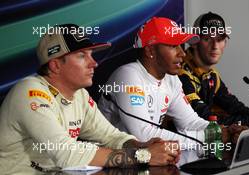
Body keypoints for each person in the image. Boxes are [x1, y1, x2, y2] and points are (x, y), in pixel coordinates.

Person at [0, 24, 180, 174]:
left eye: (91, 55)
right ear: (55, 65)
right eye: (81, 56)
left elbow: (110, 136)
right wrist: (144, 156)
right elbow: (67, 154)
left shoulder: (79, 95)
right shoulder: (29, 92)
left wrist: (142, 145)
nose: (94, 63)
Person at [98, 17, 212, 149]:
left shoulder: (171, 79)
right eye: (174, 46)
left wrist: (220, 131)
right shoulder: (127, 75)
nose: (182, 53)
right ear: (150, 51)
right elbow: (144, 136)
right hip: (102, 162)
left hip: (136, 158)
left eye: (181, 46)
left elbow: (190, 122)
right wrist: (207, 138)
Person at [178, 12, 249, 128]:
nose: (215, 46)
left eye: (220, 39)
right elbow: (205, 117)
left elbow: (233, 105)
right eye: (208, 39)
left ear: (225, 43)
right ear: (194, 42)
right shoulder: (180, 72)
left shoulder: (211, 75)